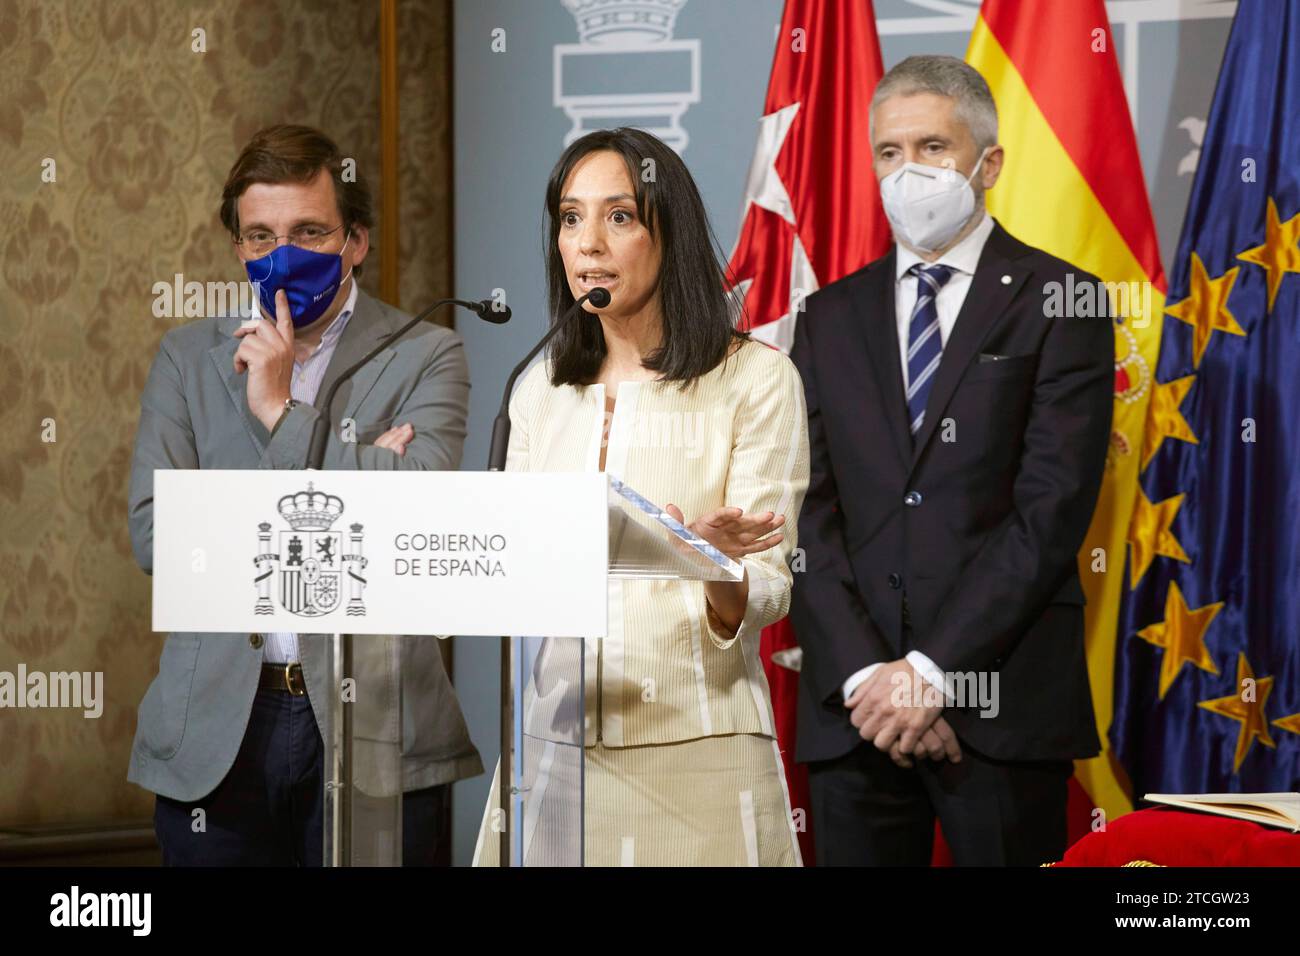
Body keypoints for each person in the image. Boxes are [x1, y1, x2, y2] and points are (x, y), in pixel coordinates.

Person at [127, 124, 482, 865]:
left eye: (309, 231)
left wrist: (281, 414)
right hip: (219, 730)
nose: (280, 254)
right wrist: (355, 481)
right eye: (260, 235)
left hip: (378, 722)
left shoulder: (427, 352)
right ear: (237, 248)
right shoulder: (187, 360)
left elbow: (421, 522)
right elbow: (161, 538)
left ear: (356, 241)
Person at [790, 55, 1113, 866]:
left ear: (988, 163)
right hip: (855, 711)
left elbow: (1051, 511)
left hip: (1001, 708)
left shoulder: (1061, 301)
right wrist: (873, 678)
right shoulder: (827, 315)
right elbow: (807, 509)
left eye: (933, 148)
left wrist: (935, 675)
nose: (908, 172)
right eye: (889, 153)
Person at [473, 127, 809, 866]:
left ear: (669, 232)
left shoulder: (755, 380)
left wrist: (716, 566)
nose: (588, 242)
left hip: (698, 747)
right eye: (570, 217)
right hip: (551, 749)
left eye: (619, 216)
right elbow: (509, 567)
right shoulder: (538, 387)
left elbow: (771, 587)